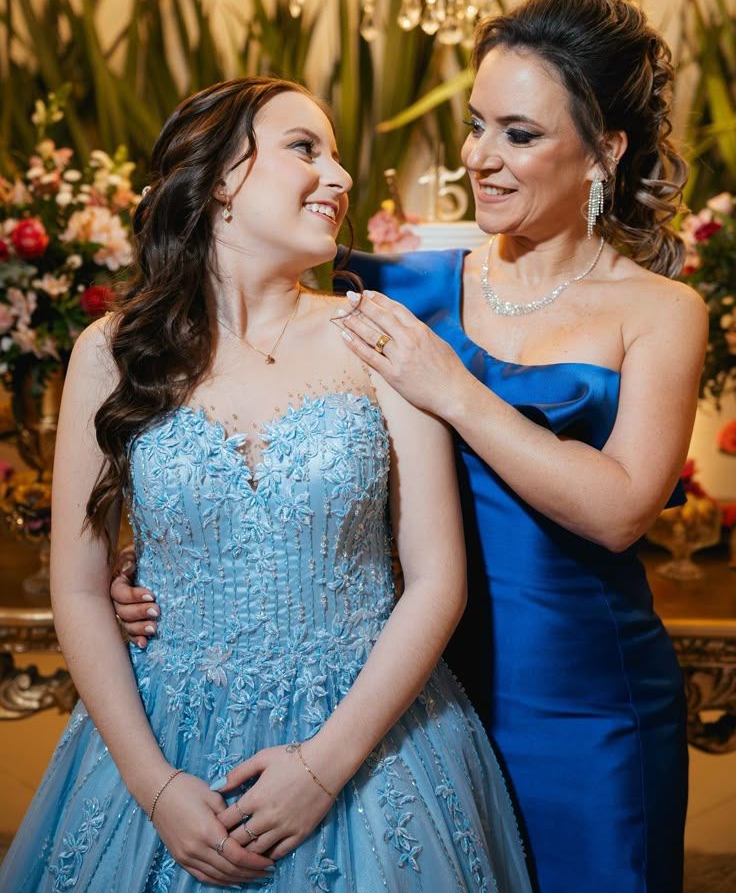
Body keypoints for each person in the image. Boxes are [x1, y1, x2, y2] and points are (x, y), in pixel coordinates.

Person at [112, 0, 706, 893]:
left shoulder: (661, 311)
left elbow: (622, 510)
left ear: (605, 150)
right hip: (402, 702)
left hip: (585, 700)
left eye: (519, 134)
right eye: (476, 125)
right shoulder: (383, 284)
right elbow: (233, 394)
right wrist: (165, 556)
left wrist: (454, 390)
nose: (480, 157)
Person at [0, 77, 532, 892]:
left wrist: (322, 769)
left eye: (337, 156)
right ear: (219, 177)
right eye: (304, 148)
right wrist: (155, 786)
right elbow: (77, 588)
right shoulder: (111, 352)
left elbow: (437, 582)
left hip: (369, 737)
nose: (340, 177)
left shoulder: (382, 338)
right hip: (163, 737)